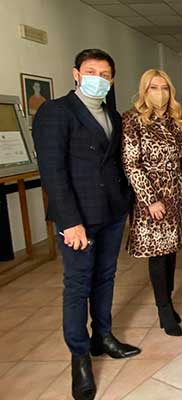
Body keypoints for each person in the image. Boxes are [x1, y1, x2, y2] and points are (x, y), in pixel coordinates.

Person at [32, 49, 141, 400]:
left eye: (105, 74)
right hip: (78, 218)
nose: (98, 79)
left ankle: (102, 337)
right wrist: (70, 222)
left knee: (105, 277)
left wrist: (125, 201)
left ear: (112, 80)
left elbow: (113, 162)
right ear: (76, 74)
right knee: (78, 285)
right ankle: (79, 357)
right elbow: (53, 173)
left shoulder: (111, 114)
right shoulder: (56, 112)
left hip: (111, 212)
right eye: (91, 72)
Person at [121, 69, 182, 336]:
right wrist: (150, 200)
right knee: (158, 254)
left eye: (164, 88)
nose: (160, 93)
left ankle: (168, 300)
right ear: (144, 91)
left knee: (171, 251)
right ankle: (163, 309)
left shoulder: (177, 122)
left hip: (176, 194)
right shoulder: (133, 119)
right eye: (153, 88)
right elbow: (131, 164)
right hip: (151, 198)